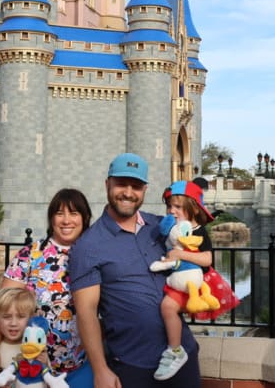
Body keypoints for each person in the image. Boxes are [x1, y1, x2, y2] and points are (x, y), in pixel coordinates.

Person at [68, 153, 202, 388]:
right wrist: (100, 370)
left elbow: (196, 243)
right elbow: (86, 312)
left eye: (136, 186)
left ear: (145, 190)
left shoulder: (160, 228)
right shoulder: (88, 245)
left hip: (182, 356)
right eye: (121, 184)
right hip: (134, 365)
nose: (128, 192)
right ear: (107, 184)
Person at [0, 189, 93, 388]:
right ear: (51, 219)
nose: (66, 220)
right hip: (31, 368)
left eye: (74, 213)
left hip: (79, 365)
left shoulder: (93, 256)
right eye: (60, 213)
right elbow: (1, 306)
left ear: (84, 218)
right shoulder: (30, 255)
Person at [153, 180, 240, 380]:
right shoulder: (171, 229)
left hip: (194, 282)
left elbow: (207, 260)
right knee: (166, 309)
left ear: (192, 208)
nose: (172, 211)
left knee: (167, 307)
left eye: (178, 207)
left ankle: (175, 351)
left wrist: (180, 255)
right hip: (177, 278)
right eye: (169, 206)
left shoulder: (199, 231)